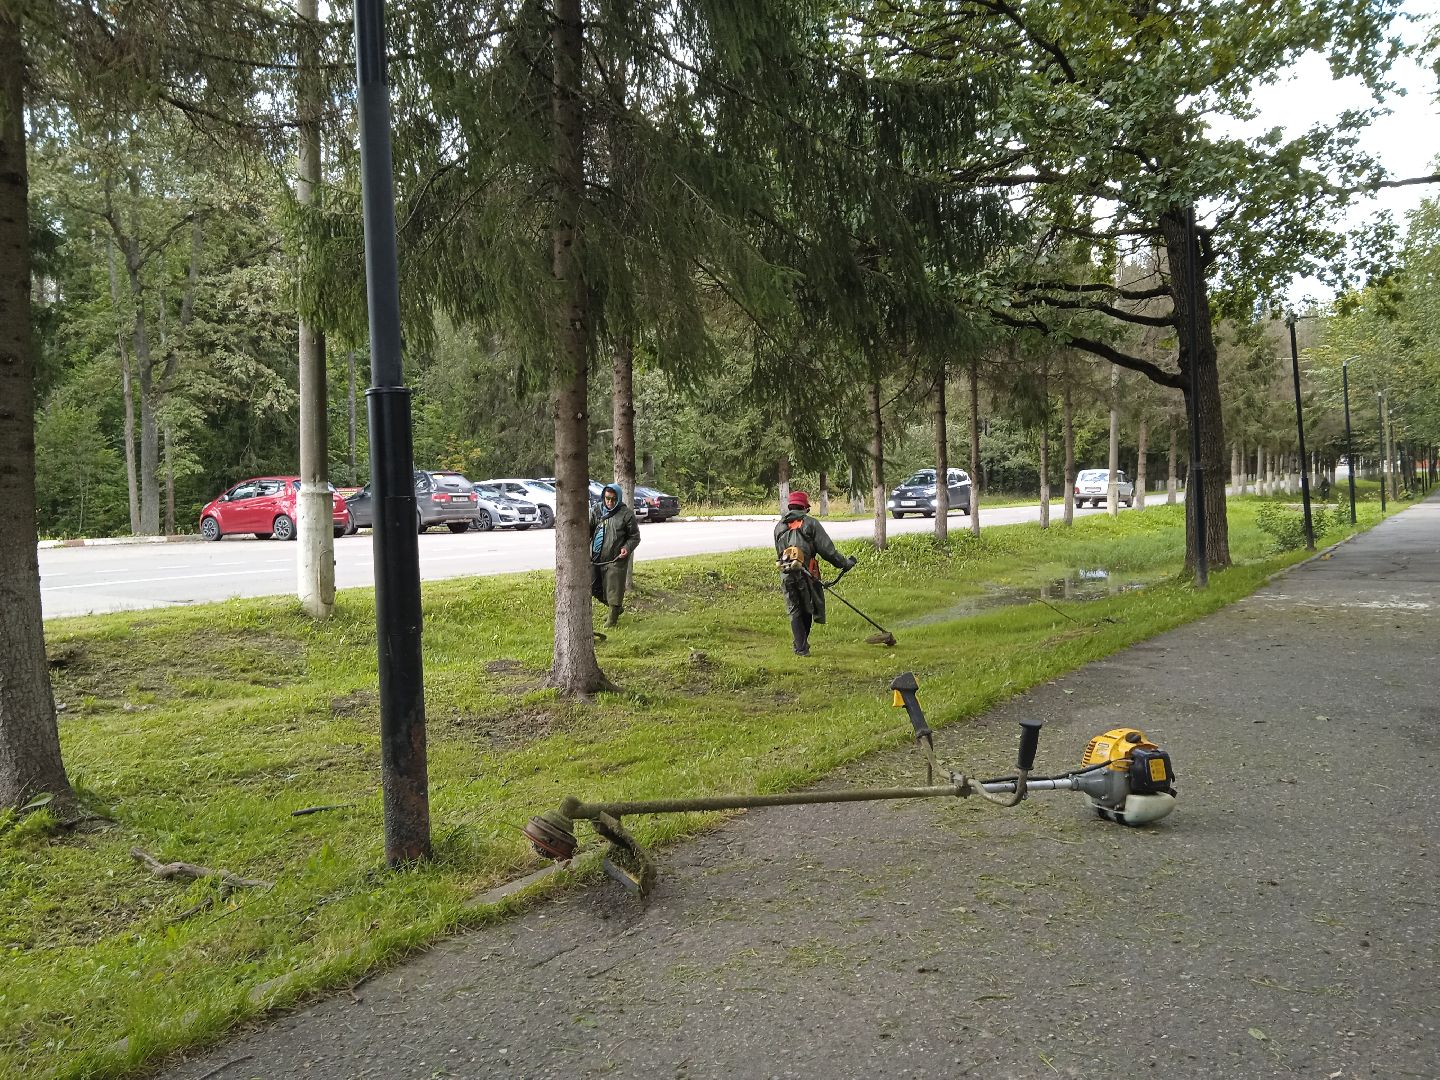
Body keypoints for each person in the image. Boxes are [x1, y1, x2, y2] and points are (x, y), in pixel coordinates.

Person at [774, 491, 855, 656]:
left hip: (786, 573)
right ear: (805, 508)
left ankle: (801, 646)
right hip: (807, 573)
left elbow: (779, 553)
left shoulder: (778, 527)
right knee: (807, 607)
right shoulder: (810, 524)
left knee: (794, 608)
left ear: (789, 506)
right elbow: (827, 550)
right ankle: (801, 647)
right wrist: (844, 564)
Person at [589, 483, 641, 628]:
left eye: (613, 499)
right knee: (593, 586)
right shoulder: (596, 510)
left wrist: (626, 548)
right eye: (607, 499)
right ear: (603, 497)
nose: (610, 502)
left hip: (616, 558)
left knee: (613, 589)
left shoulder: (626, 514)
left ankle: (612, 617)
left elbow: (634, 537)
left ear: (618, 498)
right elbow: (587, 529)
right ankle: (616, 609)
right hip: (596, 557)